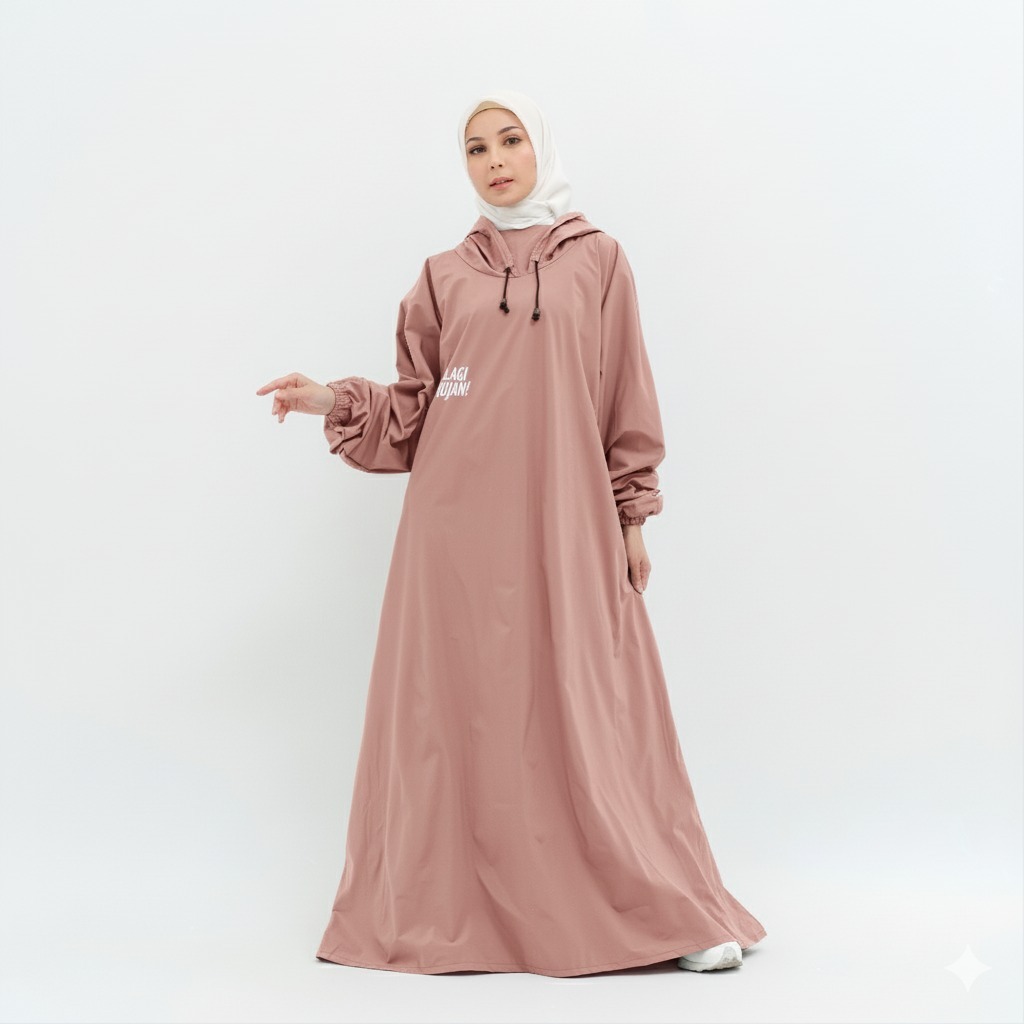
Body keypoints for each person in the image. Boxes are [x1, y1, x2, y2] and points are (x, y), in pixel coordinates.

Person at [255, 89, 767, 978]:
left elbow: (625, 396)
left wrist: (632, 516)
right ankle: (470, 908)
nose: (494, 160)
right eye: (475, 148)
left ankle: (661, 907)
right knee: (467, 717)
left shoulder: (598, 260)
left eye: (510, 140)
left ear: (541, 147)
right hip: (452, 538)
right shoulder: (443, 275)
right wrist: (330, 399)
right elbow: (417, 411)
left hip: (564, 522)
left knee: (593, 707)